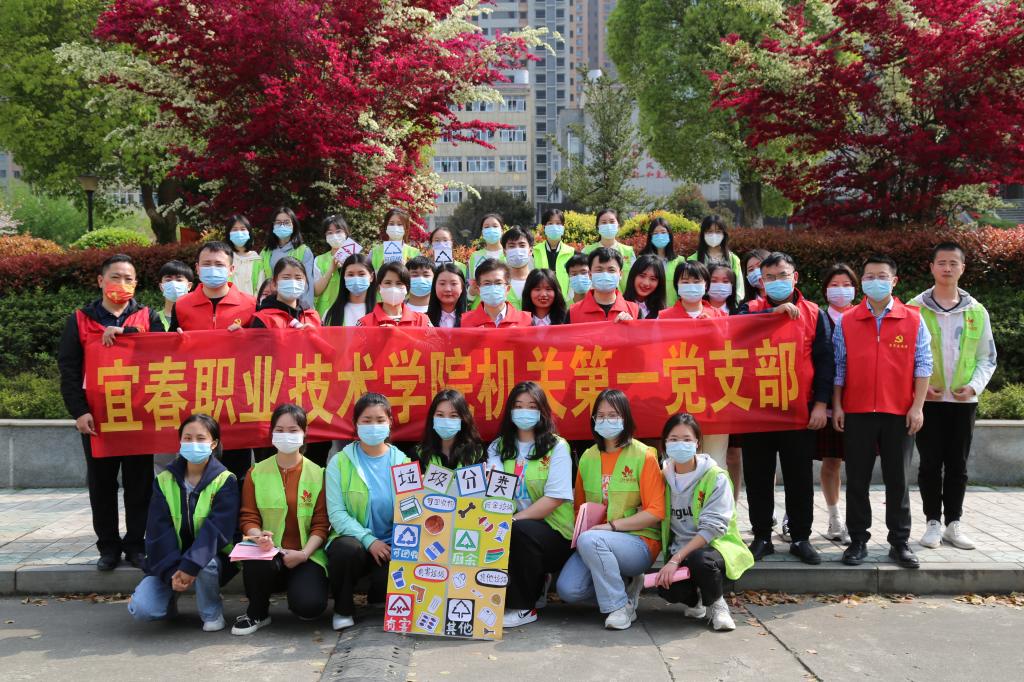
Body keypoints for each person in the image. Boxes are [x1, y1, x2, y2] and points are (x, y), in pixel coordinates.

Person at [833, 255, 933, 569]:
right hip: (857, 410)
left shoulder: (913, 319)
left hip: (899, 411)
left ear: (894, 281)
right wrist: (838, 404)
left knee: (898, 480)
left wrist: (917, 407)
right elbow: (839, 366)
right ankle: (857, 540)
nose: (875, 281)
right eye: (869, 276)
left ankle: (899, 542)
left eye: (882, 276)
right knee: (857, 479)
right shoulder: (848, 320)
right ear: (862, 281)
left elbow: (923, 365)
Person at [58, 254, 154, 571]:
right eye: (115, 277)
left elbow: (164, 351)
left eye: (128, 278)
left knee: (139, 484)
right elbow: (69, 370)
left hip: (138, 417)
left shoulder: (147, 316)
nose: (121, 284)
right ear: (101, 281)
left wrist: (127, 332)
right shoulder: (80, 320)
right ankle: (108, 547)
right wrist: (79, 411)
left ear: (136, 284)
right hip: (98, 419)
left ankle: (136, 545)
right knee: (102, 485)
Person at [741, 252, 834, 565]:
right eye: (769, 277)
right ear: (761, 282)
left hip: (798, 411)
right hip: (757, 411)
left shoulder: (815, 313)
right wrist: (772, 314)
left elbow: (825, 362)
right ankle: (762, 537)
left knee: (799, 478)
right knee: (758, 477)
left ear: (795, 277)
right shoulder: (749, 310)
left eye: (782, 275)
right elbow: (731, 335)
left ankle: (800, 537)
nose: (776, 282)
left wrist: (820, 405)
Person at [910, 242, 997, 551]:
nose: (947, 268)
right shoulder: (913, 309)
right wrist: (917, 389)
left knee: (958, 465)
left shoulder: (977, 311)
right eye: (941, 263)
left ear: (963, 268)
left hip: (963, 403)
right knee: (930, 464)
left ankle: (953, 524)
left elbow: (987, 357)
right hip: (928, 402)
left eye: (953, 263)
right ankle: (933, 522)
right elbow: (902, 356)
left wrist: (974, 387)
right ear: (931, 267)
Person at [556, 389, 666, 631]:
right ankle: (624, 587)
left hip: (639, 542)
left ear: (625, 418)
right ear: (594, 420)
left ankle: (619, 607)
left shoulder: (644, 455)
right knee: (569, 590)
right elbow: (580, 508)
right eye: (601, 415)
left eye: (613, 415)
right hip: (596, 541)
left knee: (591, 539)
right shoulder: (588, 458)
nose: (606, 420)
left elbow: (656, 512)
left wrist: (612, 526)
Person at [128, 414, 239, 631]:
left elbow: (216, 530)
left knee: (206, 563)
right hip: (171, 560)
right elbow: (158, 531)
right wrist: (173, 571)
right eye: (187, 438)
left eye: (200, 438)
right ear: (180, 441)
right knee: (143, 609)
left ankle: (211, 613)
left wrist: (190, 565)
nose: (193, 443)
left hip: (211, 558)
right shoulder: (164, 480)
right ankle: (169, 601)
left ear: (213, 443)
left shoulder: (226, 480)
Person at [233, 404, 329, 635]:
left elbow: (321, 524)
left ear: (304, 433)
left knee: (310, 608)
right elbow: (248, 516)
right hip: (269, 553)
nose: (286, 435)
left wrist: (304, 554)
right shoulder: (256, 472)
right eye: (280, 430)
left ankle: (298, 592)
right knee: (255, 558)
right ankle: (257, 612)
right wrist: (258, 536)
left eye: (293, 430)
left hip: (306, 555)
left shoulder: (318, 473)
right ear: (272, 433)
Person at [486, 382, 574, 628]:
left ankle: (524, 607)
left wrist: (514, 519)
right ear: (510, 411)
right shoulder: (498, 447)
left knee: (519, 531)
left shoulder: (557, 446)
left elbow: (554, 498)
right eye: (518, 406)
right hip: (513, 529)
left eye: (531, 406)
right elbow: (496, 493)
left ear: (542, 411)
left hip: (555, 532)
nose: (524, 412)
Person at [654, 413, 753, 632]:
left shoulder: (715, 476)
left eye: (687, 439)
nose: (680, 444)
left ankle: (718, 605)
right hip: (681, 553)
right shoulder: (662, 477)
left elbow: (711, 529)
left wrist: (675, 559)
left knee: (700, 560)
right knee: (666, 588)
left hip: (715, 550)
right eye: (674, 439)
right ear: (665, 443)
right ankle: (695, 600)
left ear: (698, 443)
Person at [170, 241, 257, 483]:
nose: (212, 269)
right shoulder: (182, 305)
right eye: (206, 264)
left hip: (237, 398)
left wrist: (248, 338)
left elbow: (263, 349)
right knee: (197, 467)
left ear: (231, 269)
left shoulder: (250, 304)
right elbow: (168, 350)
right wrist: (175, 341)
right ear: (197, 269)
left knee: (236, 470)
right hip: (196, 395)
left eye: (219, 264)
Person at [325, 393, 410, 631]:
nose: (374, 426)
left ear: (390, 422)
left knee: (386, 584)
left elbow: (410, 509)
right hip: (355, 541)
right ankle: (343, 609)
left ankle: (378, 596)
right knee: (345, 550)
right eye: (367, 420)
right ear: (356, 424)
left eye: (380, 420)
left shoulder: (402, 462)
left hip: (390, 545)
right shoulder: (339, 462)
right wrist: (368, 540)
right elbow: (337, 513)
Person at [816, 263, 860, 544]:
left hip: (860, 404)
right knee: (831, 461)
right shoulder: (818, 319)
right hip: (829, 405)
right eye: (834, 285)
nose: (840, 290)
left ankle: (857, 521)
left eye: (846, 285)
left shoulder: (863, 317)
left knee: (858, 464)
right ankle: (834, 517)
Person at [707, 262, 745, 498]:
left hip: (735, 389)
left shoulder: (741, 312)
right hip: (705, 390)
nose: (719, 286)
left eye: (725, 281)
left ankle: (734, 500)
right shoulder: (697, 311)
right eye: (714, 281)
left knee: (733, 453)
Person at [256, 207, 316, 310]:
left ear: (294, 225)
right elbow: (260, 282)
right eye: (278, 222)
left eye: (287, 222)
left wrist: (303, 310)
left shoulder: (304, 251)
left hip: (296, 306)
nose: (282, 225)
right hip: (270, 305)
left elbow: (307, 285)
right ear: (273, 226)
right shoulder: (265, 252)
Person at [412, 389, 485, 471]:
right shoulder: (419, 454)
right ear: (432, 418)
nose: (446, 421)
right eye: (440, 415)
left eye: (453, 416)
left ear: (463, 419)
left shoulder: (476, 453)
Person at [568, 247, 639, 324]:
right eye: (599, 270)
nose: (605, 274)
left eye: (611, 270)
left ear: (620, 274)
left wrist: (632, 327)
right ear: (590, 274)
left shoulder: (635, 311)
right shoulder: (572, 313)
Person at [251, 256, 322, 330]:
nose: (293, 282)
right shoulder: (264, 319)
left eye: (298, 278)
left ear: (305, 283)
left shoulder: (313, 316)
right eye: (286, 278)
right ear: (274, 284)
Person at [461, 258, 533, 327]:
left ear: (507, 289)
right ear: (478, 290)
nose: (493, 288)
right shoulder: (465, 321)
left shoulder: (526, 321)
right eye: (487, 283)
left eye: (498, 283)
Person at [687, 215, 745, 300]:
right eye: (709, 231)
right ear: (703, 234)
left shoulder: (733, 259)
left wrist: (736, 305)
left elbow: (739, 288)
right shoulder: (693, 259)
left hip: (728, 306)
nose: (714, 235)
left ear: (724, 234)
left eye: (718, 232)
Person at [357, 261, 431, 327]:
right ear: (379, 288)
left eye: (399, 283)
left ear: (407, 288)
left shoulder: (423, 321)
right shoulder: (363, 324)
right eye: (388, 283)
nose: (393, 288)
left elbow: (435, 338)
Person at [313, 214, 357, 319]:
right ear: (325, 236)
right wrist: (331, 270)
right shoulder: (319, 260)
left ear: (346, 233)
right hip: (325, 313)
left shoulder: (356, 257)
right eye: (330, 233)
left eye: (338, 231)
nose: (334, 236)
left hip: (350, 311)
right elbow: (316, 291)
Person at [582, 208, 635, 291]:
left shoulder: (628, 252)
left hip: (622, 298)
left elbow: (634, 280)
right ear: (597, 227)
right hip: (594, 297)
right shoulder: (586, 251)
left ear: (618, 226)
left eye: (612, 221)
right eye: (604, 222)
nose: (608, 225)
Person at [658, 261, 727, 320]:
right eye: (685, 282)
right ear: (677, 285)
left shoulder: (720, 315)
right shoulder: (663, 317)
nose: (691, 286)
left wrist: (713, 325)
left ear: (706, 285)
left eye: (696, 282)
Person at [323, 253, 377, 327]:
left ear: (371, 277)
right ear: (344, 277)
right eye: (350, 275)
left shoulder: (380, 313)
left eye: (361, 274)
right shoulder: (331, 314)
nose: (356, 278)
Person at [639, 216, 684, 306]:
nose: (659, 236)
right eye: (655, 233)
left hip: (672, 309)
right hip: (648, 309)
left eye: (663, 232)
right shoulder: (642, 259)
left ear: (669, 235)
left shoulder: (679, 261)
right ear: (650, 237)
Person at [533, 208, 576, 299]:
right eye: (550, 223)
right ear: (544, 227)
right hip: (540, 300)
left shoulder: (572, 253)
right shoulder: (535, 252)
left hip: (564, 303)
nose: (554, 227)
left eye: (558, 223)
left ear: (563, 227)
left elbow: (573, 282)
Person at [467, 213, 507, 304]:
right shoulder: (475, 256)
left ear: (502, 230)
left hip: (504, 306)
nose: (491, 229)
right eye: (487, 227)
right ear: (482, 232)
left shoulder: (509, 255)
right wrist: (471, 292)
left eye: (495, 226)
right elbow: (470, 287)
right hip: (480, 306)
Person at [227, 214, 263, 296]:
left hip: (252, 303)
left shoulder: (258, 260)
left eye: (243, 229)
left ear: (249, 233)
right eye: (235, 229)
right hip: (229, 302)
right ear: (229, 234)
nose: (239, 233)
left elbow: (260, 289)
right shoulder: (225, 258)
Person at [154, 260, 194, 331]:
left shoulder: (198, 316)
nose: (173, 283)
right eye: (168, 280)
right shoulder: (152, 319)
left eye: (179, 280)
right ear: (161, 287)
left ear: (189, 286)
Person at [623, 254, 667, 319]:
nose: (646, 283)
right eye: (642, 276)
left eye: (653, 279)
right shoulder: (619, 307)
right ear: (633, 276)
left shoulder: (664, 314)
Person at [501, 226, 535, 309]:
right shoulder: (499, 283)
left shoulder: (538, 281)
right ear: (504, 252)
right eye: (512, 246)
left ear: (530, 251)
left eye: (522, 245)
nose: (517, 250)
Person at [426, 263, 468, 328]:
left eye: (453, 284)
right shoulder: (424, 320)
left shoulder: (472, 320)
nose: (447, 289)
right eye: (442, 283)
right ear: (434, 286)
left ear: (462, 287)